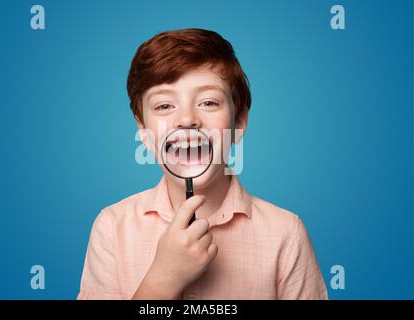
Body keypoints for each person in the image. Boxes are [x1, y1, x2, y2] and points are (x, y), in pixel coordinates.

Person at [77, 28, 328, 300]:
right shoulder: (113, 227)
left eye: (208, 102)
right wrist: (163, 279)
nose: (186, 119)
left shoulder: (285, 233)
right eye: (164, 106)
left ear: (239, 121)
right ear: (144, 132)